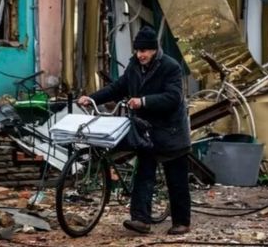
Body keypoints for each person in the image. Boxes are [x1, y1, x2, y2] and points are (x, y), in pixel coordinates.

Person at [78, 26, 191, 235]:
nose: (141, 55)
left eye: (145, 51)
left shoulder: (170, 67)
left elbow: (173, 97)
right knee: (144, 174)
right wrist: (92, 97)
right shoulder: (134, 66)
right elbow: (117, 88)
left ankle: (182, 222)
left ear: (154, 50)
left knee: (176, 179)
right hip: (146, 130)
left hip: (170, 130)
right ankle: (141, 219)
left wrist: (143, 101)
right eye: (138, 51)